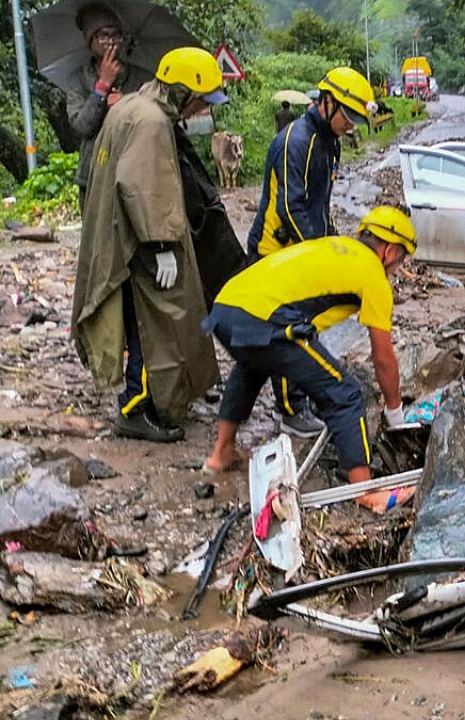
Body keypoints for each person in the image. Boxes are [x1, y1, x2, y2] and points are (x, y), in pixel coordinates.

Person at [202, 207, 414, 512]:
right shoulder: (373, 274)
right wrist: (395, 413)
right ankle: (366, 491)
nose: (397, 266)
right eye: (401, 258)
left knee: (252, 364)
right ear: (390, 251)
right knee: (346, 393)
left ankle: (220, 454)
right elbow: (383, 358)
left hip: (226, 306)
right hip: (267, 321)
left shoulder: (334, 246)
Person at [72, 47, 230, 442]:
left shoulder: (134, 105)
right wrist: (160, 244)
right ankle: (134, 407)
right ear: (182, 92)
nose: (200, 111)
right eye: (200, 102)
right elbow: (142, 187)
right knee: (152, 323)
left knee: (139, 319)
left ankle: (157, 398)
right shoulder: (151, 122)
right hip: (138, 241)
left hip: (120, 234)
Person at [244, 66, 374, 438]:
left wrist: (332, 243)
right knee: (289, 331)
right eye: (347, 116)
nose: (351, 125)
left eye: (355, 119)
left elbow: (321, 201)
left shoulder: (330, 142)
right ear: (327, 102)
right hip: (276, 249)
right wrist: (316, 254)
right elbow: (290, 206)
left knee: (303, 328)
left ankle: (296, 395)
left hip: (307, 245)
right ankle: (289, 409)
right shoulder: (294, 142)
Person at [65, 3, 149, 209]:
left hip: (133, 172)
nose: (110, 42)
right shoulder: (77, 79)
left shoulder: (140, 77)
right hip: (93, 173)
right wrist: (101, 87)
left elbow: (154, 118)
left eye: (115, 35)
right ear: (90, 40)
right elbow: (82, 126)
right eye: (103, 35)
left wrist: (128, 103)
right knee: (96, 239)